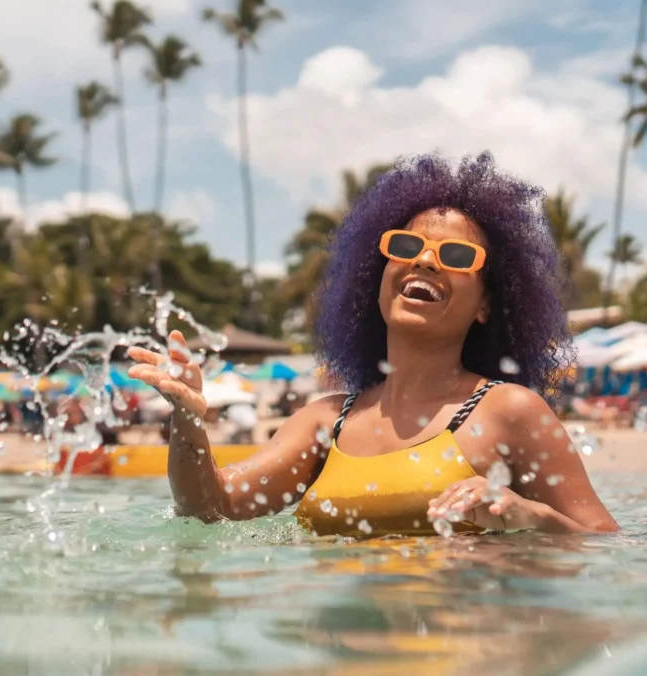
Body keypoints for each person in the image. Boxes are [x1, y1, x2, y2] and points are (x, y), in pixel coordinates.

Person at [129, 153, 617, 536]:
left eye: (455, 255)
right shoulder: (325, 422)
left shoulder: (510, 411)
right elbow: (212, 509)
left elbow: (602, 541)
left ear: (487, 304)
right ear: (376, 275)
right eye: (405, 247)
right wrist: (188, 422)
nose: (425, 261)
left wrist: (529, 516)